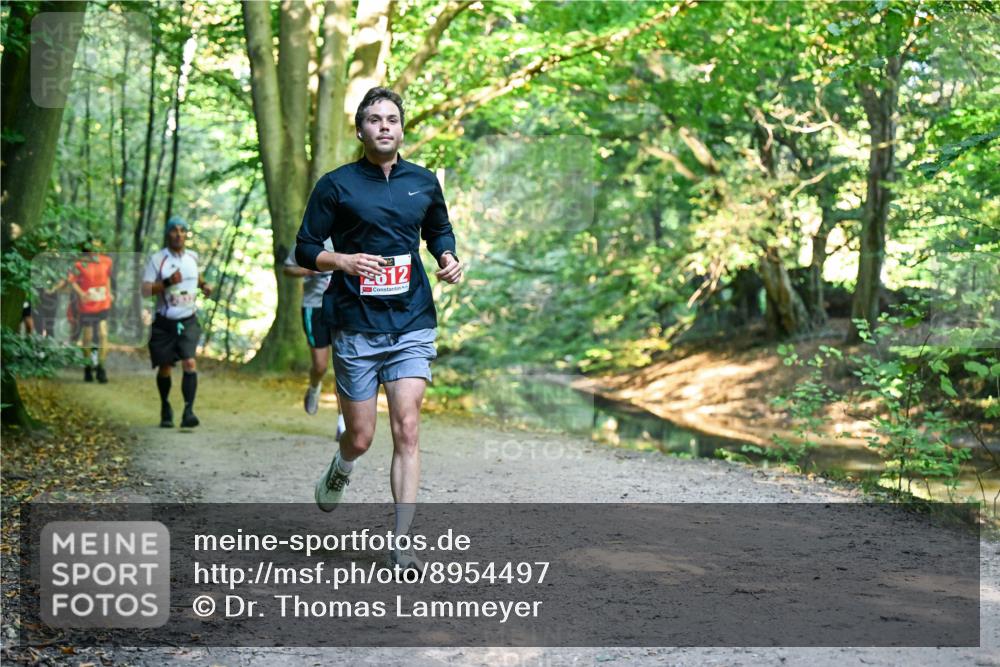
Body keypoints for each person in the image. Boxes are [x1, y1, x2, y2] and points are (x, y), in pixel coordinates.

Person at [295, 87, 463, 568]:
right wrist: (342, 261)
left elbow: (438, 230)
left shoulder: (423, 182)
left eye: (392, 118)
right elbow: (306, 247)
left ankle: (402, 538)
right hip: (355, 325)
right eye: (374, 119)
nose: (384, 126)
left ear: (402, 128)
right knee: (363, 436)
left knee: (407, 426)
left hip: (411, 319)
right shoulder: (337, 184)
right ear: (360, 130)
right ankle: (343, 462)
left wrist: (447, 257)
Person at [141, 217, 212, 428]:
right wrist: (167, 282)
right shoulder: (157, 259)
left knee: (189, 362)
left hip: (188, 320)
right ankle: (165, 406)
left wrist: (204, 286)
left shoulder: (192, 257)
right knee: (165, 367)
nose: (179, 234)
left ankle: (189, 411)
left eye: (182, 231)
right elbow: (145, 290)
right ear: (168, 234)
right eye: (174, 230)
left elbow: (197, 278)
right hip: (164, 322)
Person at [283, 239, 348, 433]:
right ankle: (314, 385)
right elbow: (288, 269)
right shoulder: (307, 241)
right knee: (320, 366)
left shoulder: (345, 235)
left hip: (341, 308)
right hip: (314, 308)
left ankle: (342, 422)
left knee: (343, 367)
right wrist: (307, 271)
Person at [65, 241, 113, 383]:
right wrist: (81, 294)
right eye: (92, 247)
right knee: (88, 336)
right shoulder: (79, 264)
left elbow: (108, 277)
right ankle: (87, 367)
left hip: (103, 302)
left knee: (103, 333)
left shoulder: (106, 261)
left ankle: (101, 368)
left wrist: (109, 292)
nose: (95, 250)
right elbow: (72, 281)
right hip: (87, 305)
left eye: (97, 247)